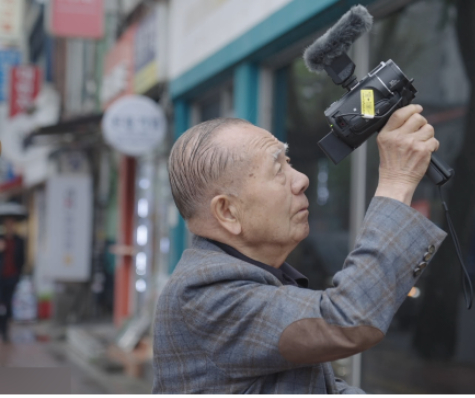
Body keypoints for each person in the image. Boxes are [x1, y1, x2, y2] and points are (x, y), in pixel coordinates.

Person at [153, 105, 446, 393]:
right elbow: (349, 319)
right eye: (278, 169)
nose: (302, 179)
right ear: (228, 212)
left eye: (289, 161)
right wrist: (397, 182)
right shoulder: (203, 293)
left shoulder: (256, 275)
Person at [0, 217, 25, 344]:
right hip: (1, 276)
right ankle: (2, 328)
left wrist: (19, 274)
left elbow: (22, 258)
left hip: (12, 276)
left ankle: (5, 329)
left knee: (8, 303)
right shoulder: (1, 239)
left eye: (12, 224)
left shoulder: (19, 240)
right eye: (7, 224)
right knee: (1, 303)